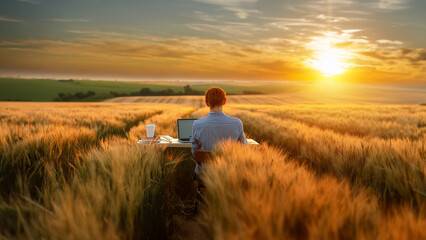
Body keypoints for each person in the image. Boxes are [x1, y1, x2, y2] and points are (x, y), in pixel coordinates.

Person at [191, 87, 247, 174]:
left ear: (206, 103)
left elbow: (194, 152)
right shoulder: (236, 123)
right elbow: (243, 147)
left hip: (205, 174)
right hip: (230, 173)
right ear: (224, 101)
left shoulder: (197, 124)